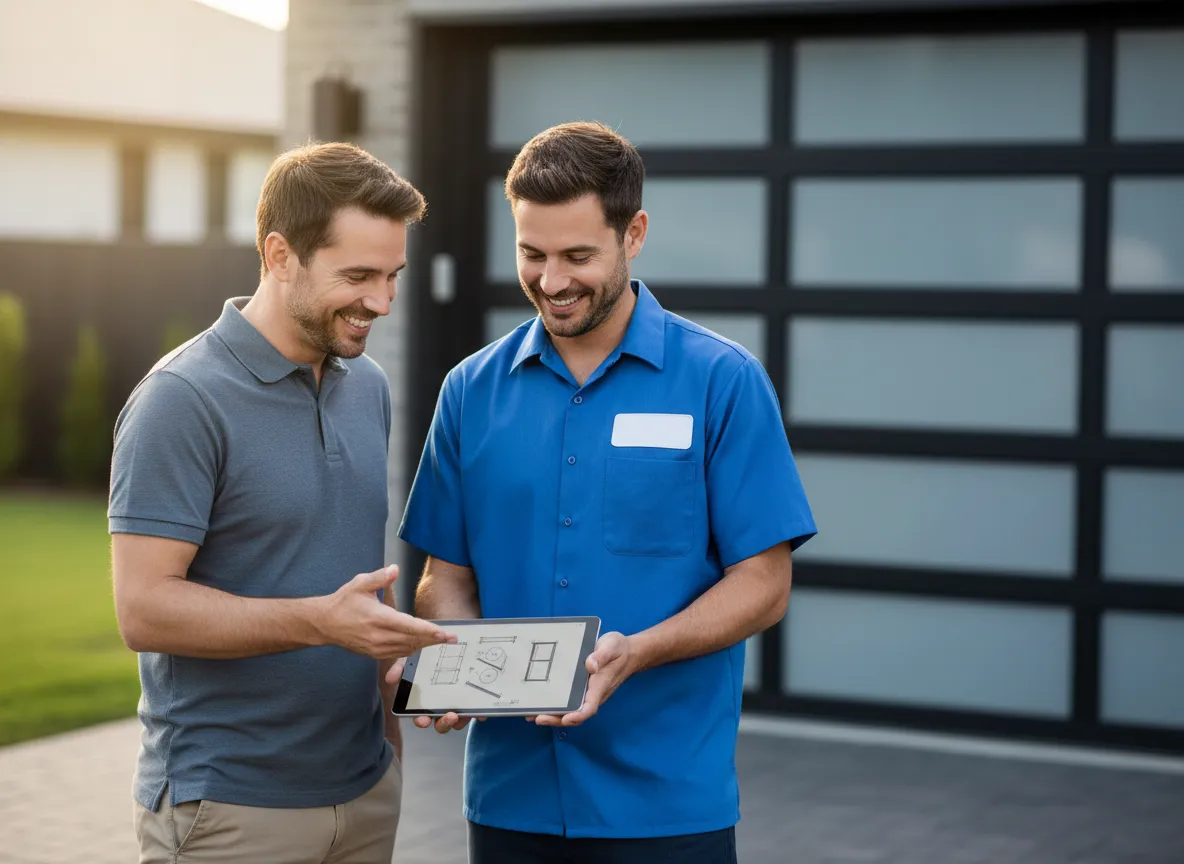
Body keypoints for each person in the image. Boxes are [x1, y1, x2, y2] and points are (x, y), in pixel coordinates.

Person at [396, 121, 817, 863]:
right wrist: (455, 661)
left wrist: (641, 651)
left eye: (577, 256)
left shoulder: (721, 382)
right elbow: (445, 578)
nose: (551, 281)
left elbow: (764, 582)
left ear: (635, 234)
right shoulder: (469, 391)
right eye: (532, 254)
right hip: (509, 801)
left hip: (666, 805)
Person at [109, 141, 455, 864]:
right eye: (358, 275)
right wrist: (321, 623)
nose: (381, 302)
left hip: (365, 792)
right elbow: (143, 610)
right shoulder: (182, 399)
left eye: (393, 276)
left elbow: (353, 575)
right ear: (279, 254)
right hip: (231, 809)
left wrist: (386, 746)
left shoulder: (367, 386)